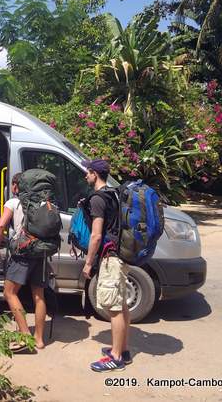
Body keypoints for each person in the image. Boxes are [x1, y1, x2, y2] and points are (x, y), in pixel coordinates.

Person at [80, 159, 131, 372]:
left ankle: (116, 358)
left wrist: (89, 262)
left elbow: (96, 235)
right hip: (121, 254)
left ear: (94, 173)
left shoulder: (98, 199)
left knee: (114, 308)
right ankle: (123, 350)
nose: (85, 176)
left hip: (111, 258)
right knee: (121, 304)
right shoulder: (114, 193)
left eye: (87, 172)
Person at [0, 172, 48, 351]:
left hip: (22, 252)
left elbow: (1, 225)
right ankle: (39, 339)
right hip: (40, 252)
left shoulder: (13, 202)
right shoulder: (42, 202)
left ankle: (25, 336)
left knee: (9, 293)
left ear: (17, 186)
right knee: (39, 295)